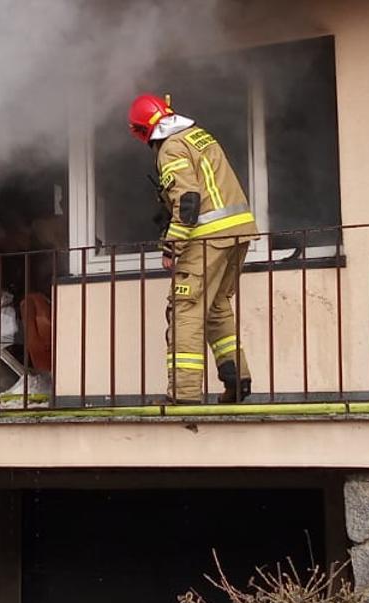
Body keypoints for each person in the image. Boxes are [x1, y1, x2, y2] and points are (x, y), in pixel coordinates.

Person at [127, 93, 257, 404]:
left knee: (185, 309)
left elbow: (187, 201)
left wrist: (172, 247)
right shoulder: (197, 136)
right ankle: (237, 381)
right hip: (237, 233)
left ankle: (184, 396)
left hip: (207, 237)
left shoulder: (170, 147)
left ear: (141, 130)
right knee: (215, 307)